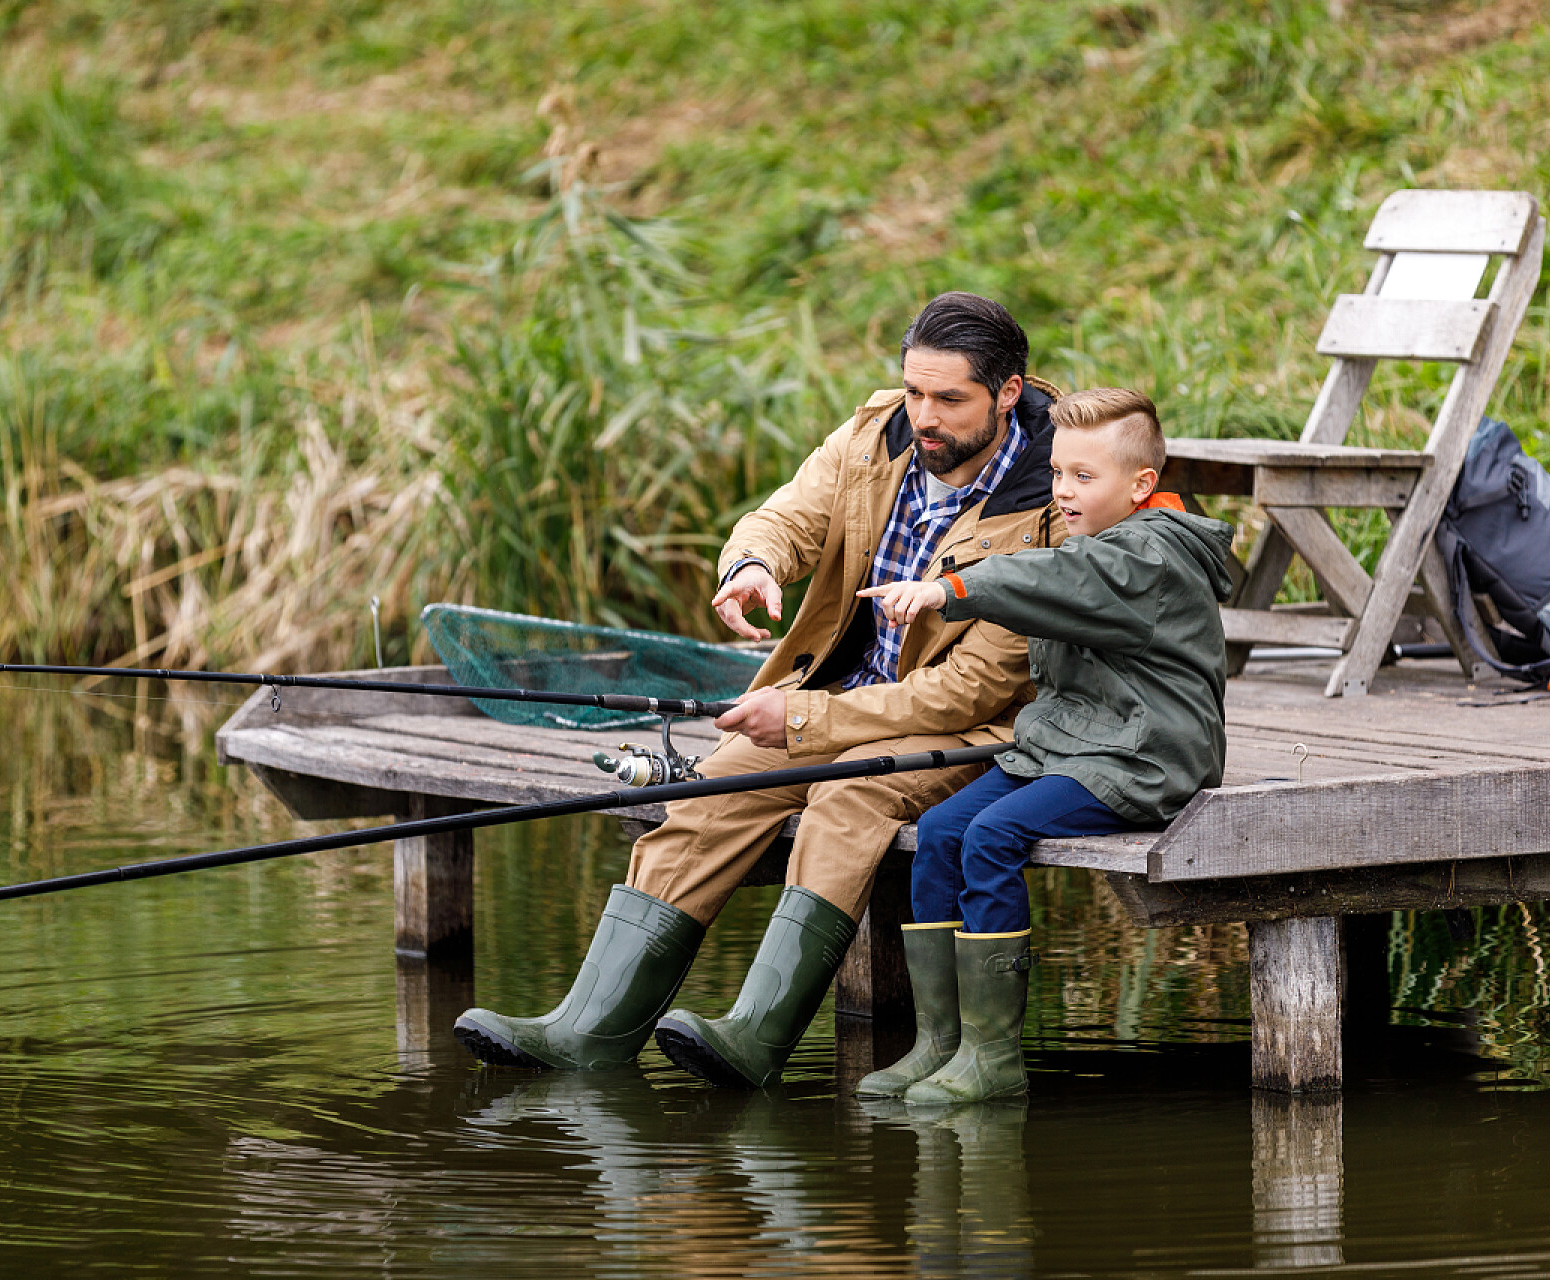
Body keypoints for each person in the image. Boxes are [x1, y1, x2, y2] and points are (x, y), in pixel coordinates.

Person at [455, 292, 1066, 1087]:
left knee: (847, 801)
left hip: (970, 731)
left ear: (1008, 393)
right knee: (713, 790)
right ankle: (588, 1030)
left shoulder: (1050, 501)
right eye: (915, 391)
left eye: (949, 399)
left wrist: (804, 717)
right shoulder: (875, 435)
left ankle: (757, 1035)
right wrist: (751, 565)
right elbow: (786, 517)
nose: (925, 415)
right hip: (837, 701)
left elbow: (971, 690)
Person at [851, 388, 1235, 1104]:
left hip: (1147, 758)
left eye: (1083, 477)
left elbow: (1057, 579)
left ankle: (993, 1057)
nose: (1062, 491)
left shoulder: (1148, 555)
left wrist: (949, 589)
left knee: (994, 834)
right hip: (1072, 746)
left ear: (1141, 485)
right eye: (1057, 473)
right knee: (939, 830)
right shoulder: (1093, 537)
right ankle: (939, 1042)